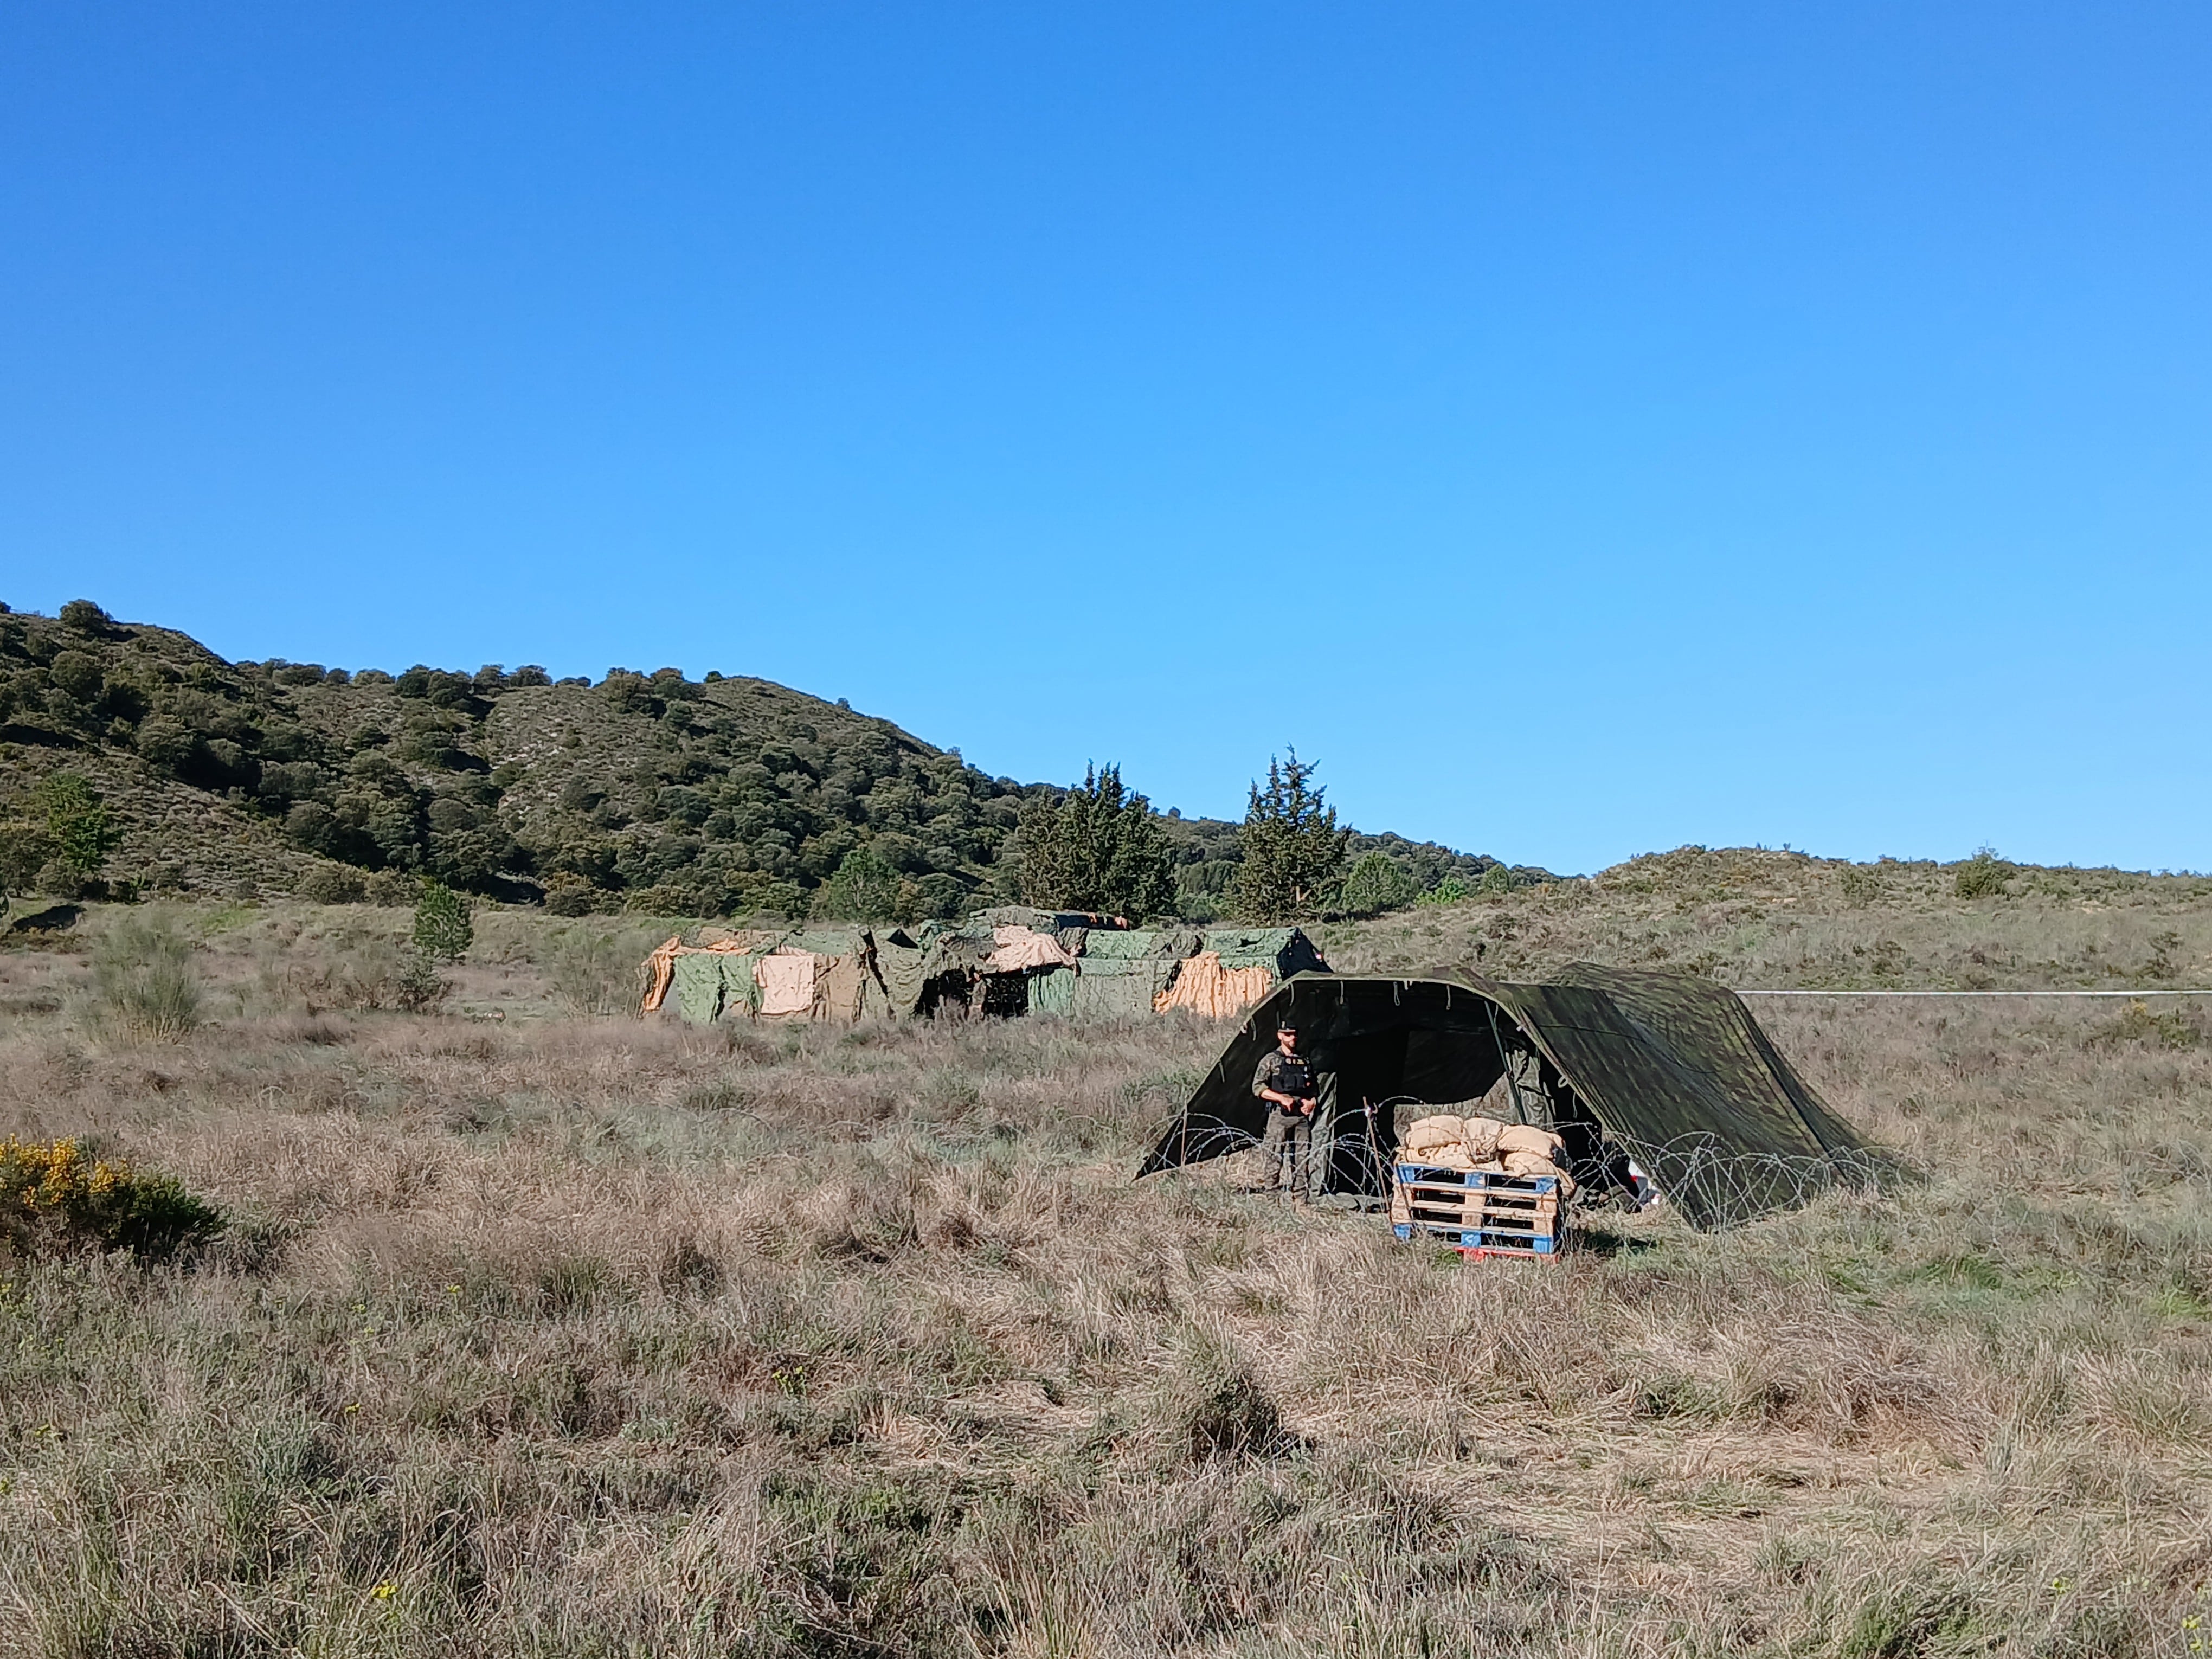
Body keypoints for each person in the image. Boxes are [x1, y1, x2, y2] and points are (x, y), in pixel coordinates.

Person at [1251, 1018, 1320, 1203]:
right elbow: (1258, 1088)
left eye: (1294, 1034)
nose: (1292, 1038)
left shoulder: (1304, 1060)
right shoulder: (1271, 1060)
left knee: (1302, 1159)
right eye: (1288, 1034)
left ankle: (1301, 1199)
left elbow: (1314, 1089)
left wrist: (1312, 1102)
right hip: (1280, 1116)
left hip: (1301, 1116)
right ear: (1280, 1036)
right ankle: (1272, 1199)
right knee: (1274, 1157)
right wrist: (1281, 1098)